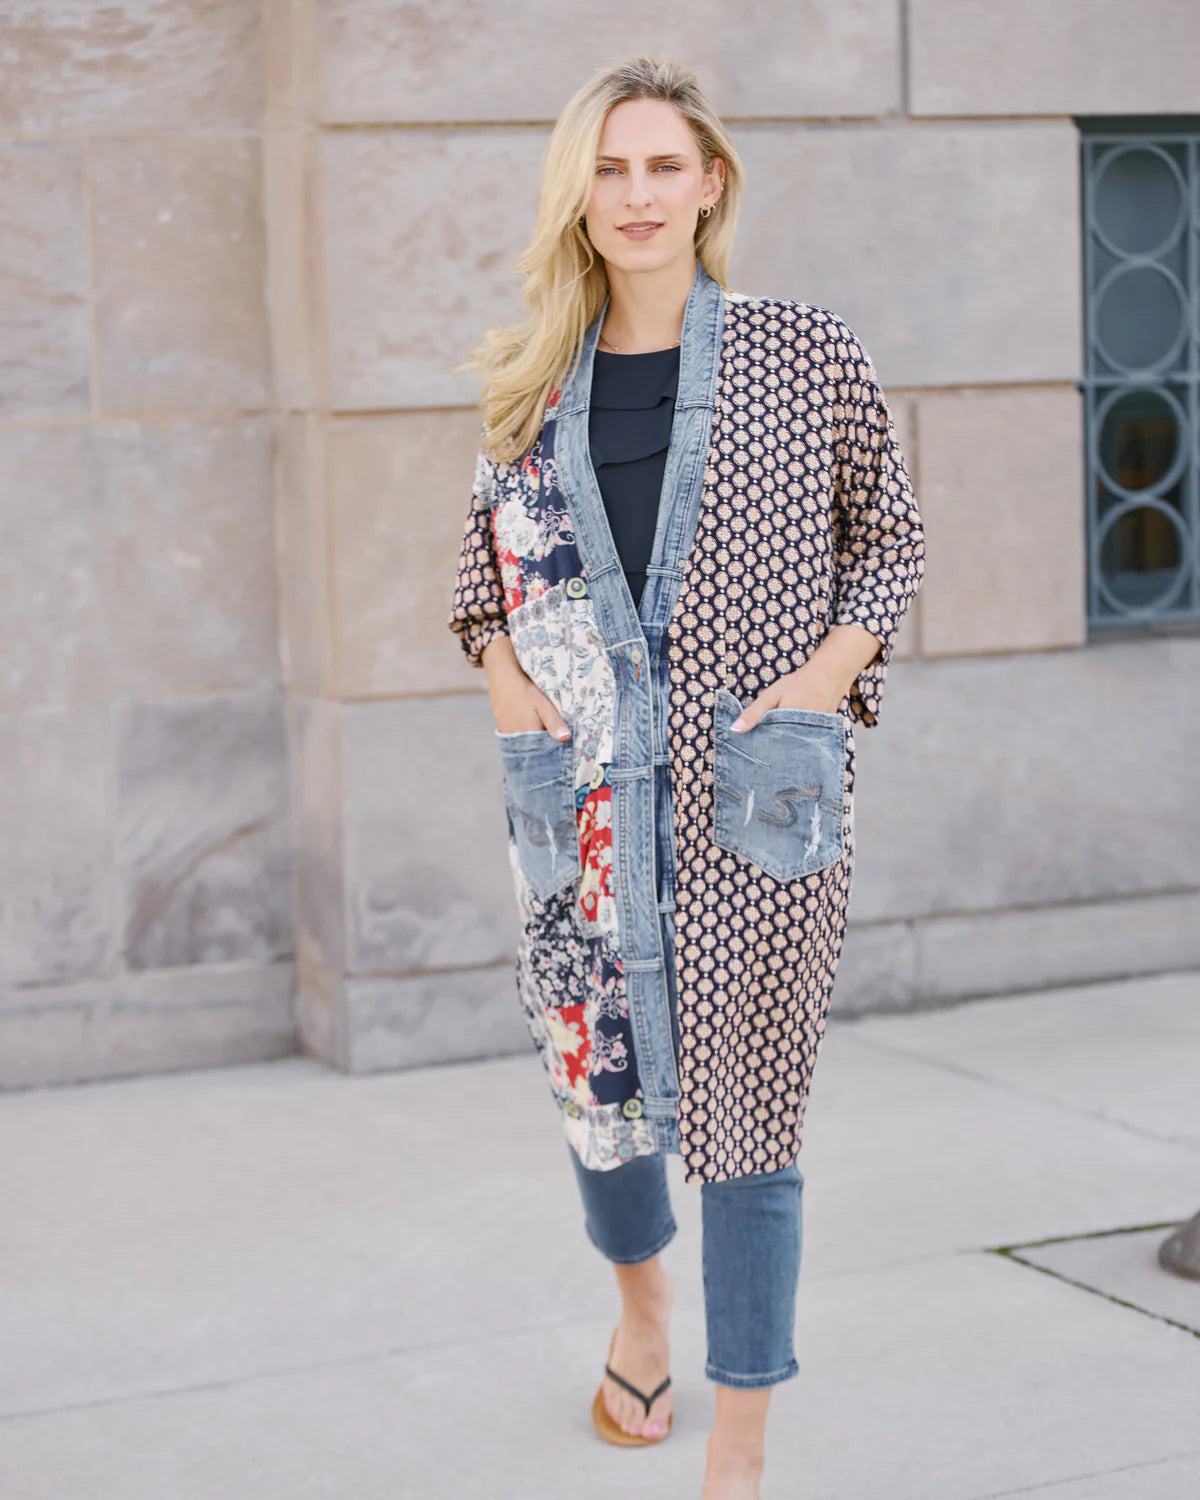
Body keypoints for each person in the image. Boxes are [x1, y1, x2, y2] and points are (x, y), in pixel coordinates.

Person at [449, 53, 925, 1500]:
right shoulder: (532, 385)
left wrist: (821, 683)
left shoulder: (804, 355)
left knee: (751, 1118)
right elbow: (477, 582)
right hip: (579, 810)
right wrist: (507, 685)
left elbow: (890, 542)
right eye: (609, 169)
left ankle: (739, 1447)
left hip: (752, 808)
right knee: (599, 1102)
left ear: (712, 182)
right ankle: (643, 1310)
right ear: (576, 195)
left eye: (664, 166)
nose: (638, 194)